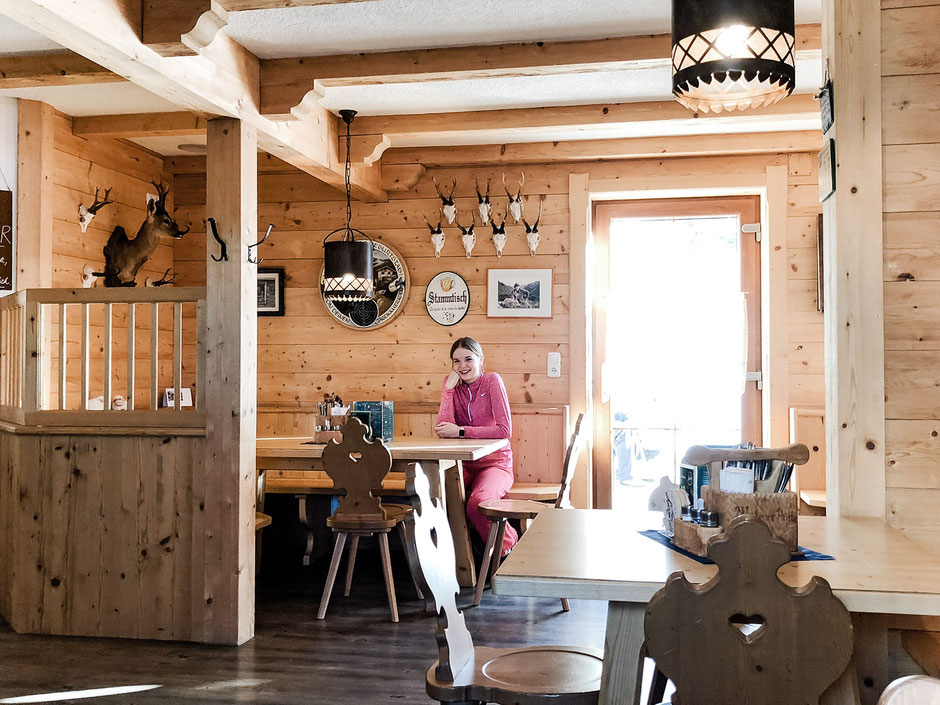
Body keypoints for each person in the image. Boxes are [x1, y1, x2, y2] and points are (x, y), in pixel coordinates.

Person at [436, 337, 518, 556]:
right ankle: (456, 560)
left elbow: (504, 430)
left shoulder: (492, 381)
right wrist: (447, 391)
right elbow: (443, 430)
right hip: (463, 463)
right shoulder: (452, 386)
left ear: (480, 360)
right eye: (456, 361)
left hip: (496, 464)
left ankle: (507, 548)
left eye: (468, 359)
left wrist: (461, 431)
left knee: (477, 504)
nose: (462, 366)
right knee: (434, 495)